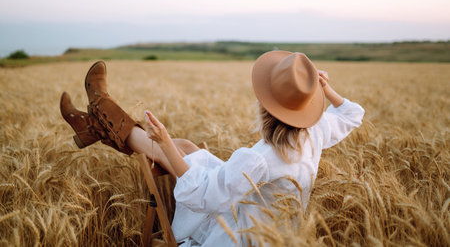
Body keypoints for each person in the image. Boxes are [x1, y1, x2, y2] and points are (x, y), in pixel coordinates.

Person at [60, 50, 365, 246]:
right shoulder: (313, 132)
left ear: (266, 105)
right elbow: (353, 114)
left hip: (241, 235)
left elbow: (202, 195)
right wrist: (324, 89)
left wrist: (164, 141)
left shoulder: (260, 159)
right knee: (188, 147)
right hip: (276, 230)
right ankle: (98, 122)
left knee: (175, 148)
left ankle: (100, 118)